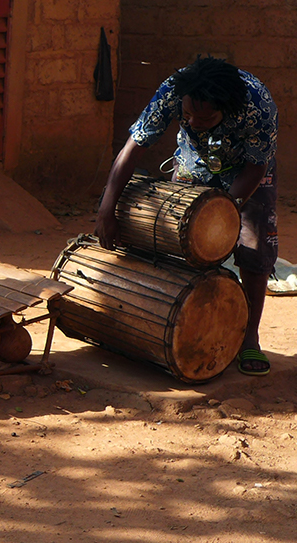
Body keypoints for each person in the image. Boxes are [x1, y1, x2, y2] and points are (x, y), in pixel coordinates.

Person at [96, 56, 278, 376]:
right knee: (180, 242)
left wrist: (226, 211)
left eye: (204, 119)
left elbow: (256, 167)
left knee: (253, 247)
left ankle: (249, 337)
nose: (193, 122)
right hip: (193, 166)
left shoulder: (257, 105)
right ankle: (183, 328)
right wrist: (106, 209)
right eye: (188, 114)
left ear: (227, 110)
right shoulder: (173, 91)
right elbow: (132, 149)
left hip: (246, 175)